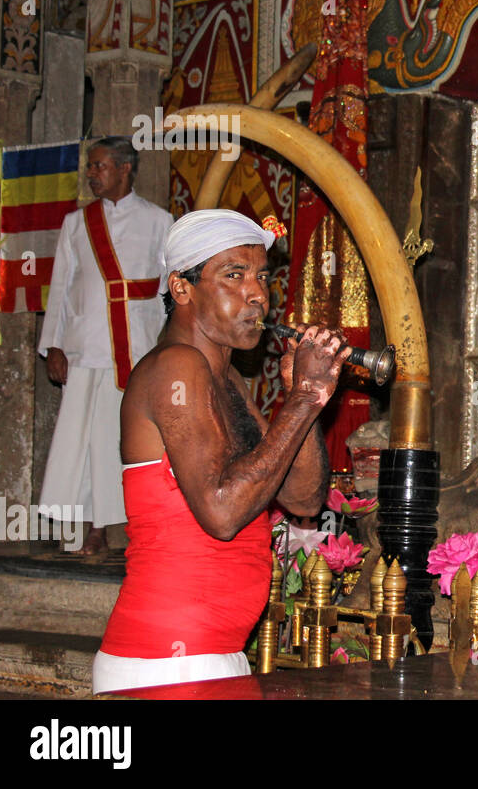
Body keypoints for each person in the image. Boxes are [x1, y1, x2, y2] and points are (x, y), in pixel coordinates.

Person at [91, 209, 350, 694]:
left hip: (212, 656)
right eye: (233, 275)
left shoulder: (224, 377)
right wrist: (300, 401)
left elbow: (303, 500)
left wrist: (306, 400)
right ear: (182, 286)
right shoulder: (176, 368)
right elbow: (222, 511)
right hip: (167, 661)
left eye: (261, 277)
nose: (256, 294)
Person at [39, 137, 173, 555]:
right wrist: (54, 344)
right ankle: (85, 527)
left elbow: (172, 289)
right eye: (90, 167)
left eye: (99, 166)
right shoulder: (77, 223)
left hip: (135, 348)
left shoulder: (159, 221)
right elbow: (61, 286)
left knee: (122, 438)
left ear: (124, 168)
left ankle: (124, 526)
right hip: (85, 345)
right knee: (80, 440)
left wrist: (170, 348)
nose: (91, 174)